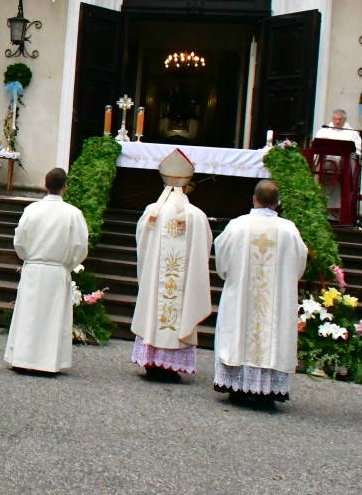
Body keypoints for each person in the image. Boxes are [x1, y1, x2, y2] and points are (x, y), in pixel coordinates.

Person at [212, 180, 307, 407]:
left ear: (254, 199)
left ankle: (238, 387)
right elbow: (299, 264)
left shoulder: (238, 226)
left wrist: (229, 274)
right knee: (271, 336)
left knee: (240, 335)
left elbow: (222, 258)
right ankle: (267, 391)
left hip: (242, 296)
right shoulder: (289, 230)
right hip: (275, 301)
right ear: (277, 203)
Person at [131, 149, 212, 380]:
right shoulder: (197, 216)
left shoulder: (152, 212)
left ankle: (152, 361)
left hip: (157, 280)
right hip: (182, 283)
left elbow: (141, 243)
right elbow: (204, 249)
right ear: (187, 186)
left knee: (154, 307)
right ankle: (171, 365)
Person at [5, 168, 89, 374]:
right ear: (65, 187)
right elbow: (81, 247)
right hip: (56, 270)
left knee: (29, 315)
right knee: (52, 317)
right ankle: (47, 363)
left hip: (34, 268)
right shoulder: (73, 213)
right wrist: (67, 265)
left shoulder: (31, 210)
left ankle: (22, 358)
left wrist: (28, 258)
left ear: (45, 185)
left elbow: (19, 241)